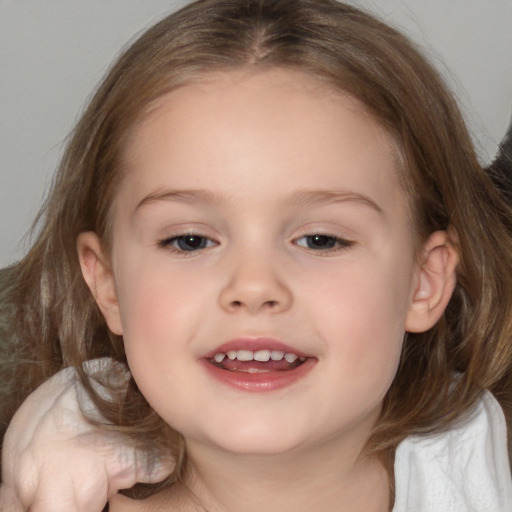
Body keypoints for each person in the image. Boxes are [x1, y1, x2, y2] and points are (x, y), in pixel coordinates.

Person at [1, 0, 512, 510]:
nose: (253, 286)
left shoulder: (469, 457)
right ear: (107, 283)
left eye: (321, 240)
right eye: (190, 240)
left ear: (424, 281)